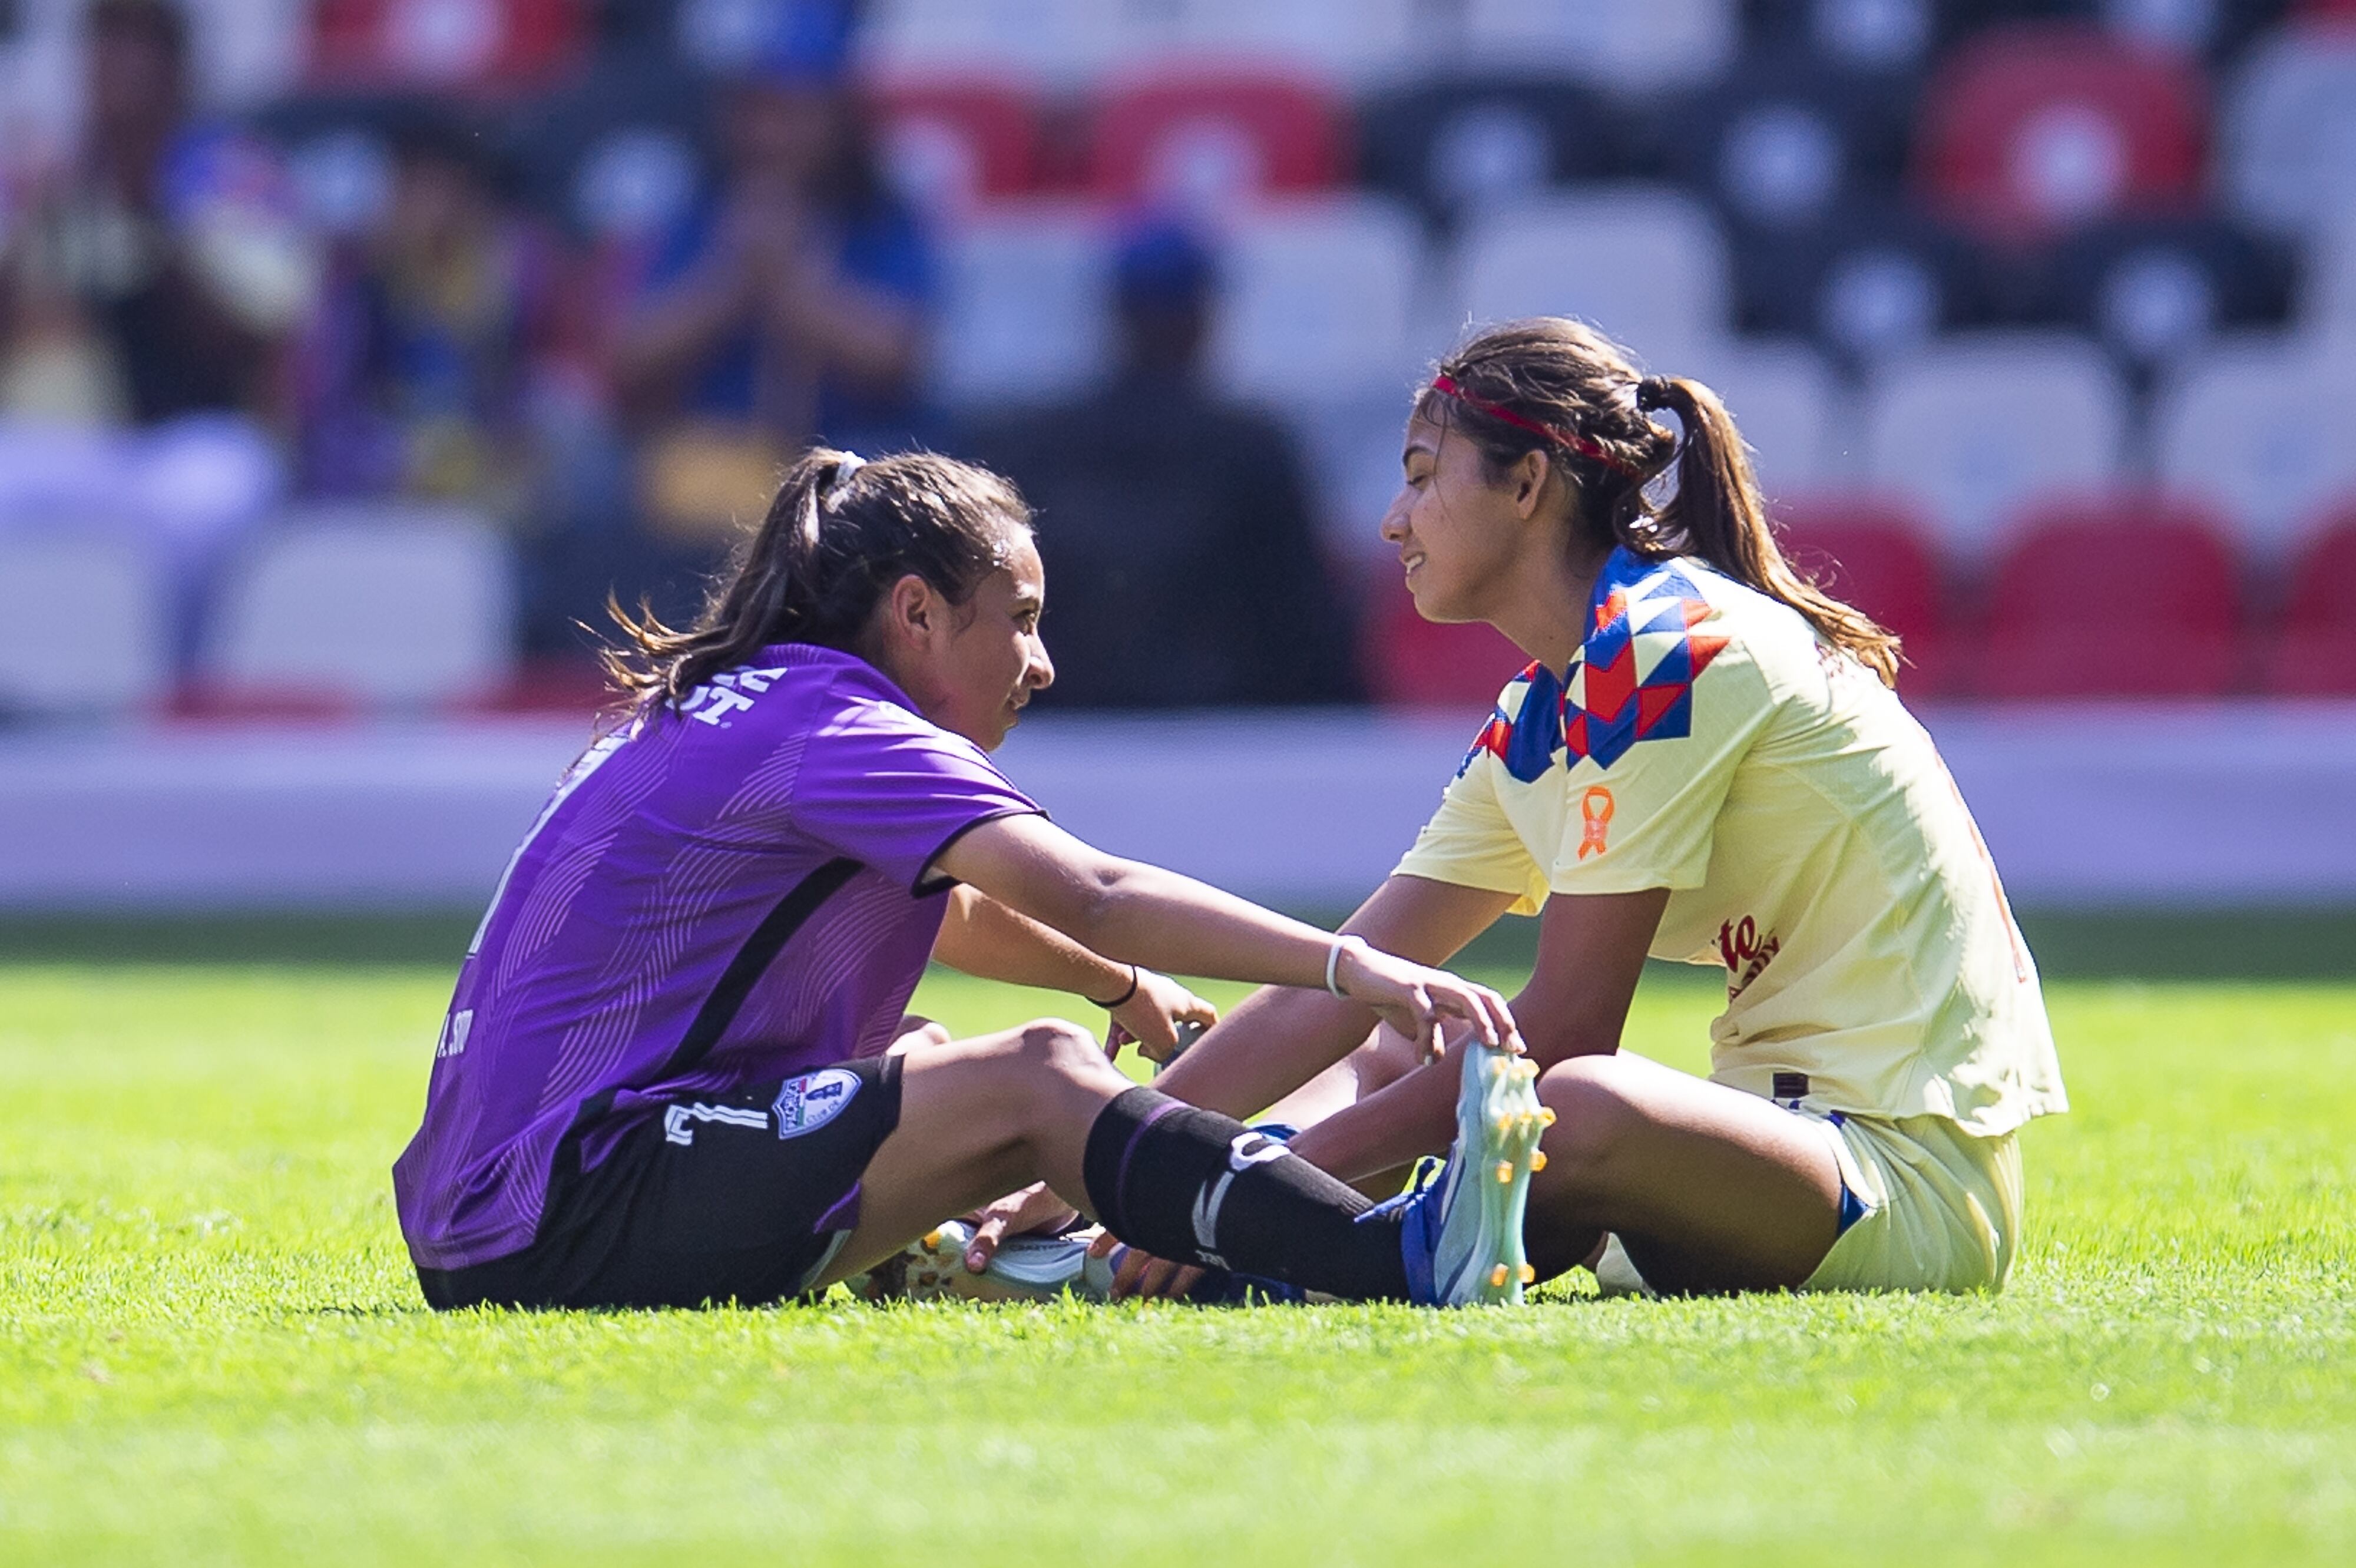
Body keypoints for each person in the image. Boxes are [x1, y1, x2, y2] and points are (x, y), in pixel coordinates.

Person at [391, 446, 1546, 1312]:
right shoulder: (840, 724)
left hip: (500, 1204)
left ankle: (953, 1254)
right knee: (1033, 1073)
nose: (1040, 663)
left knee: (928, 1052)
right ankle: (1390, 1255)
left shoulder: (749, 700)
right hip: (565, 1204)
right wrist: (1354, 965)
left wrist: (1117, 989)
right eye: (1023, 619)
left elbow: (958, 914)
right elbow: (1086, 887)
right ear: (916, 613)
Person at [1093, 317, 2066, 1299]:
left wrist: (1252, 1188)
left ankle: (1308, 1248)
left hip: (1900, 1187)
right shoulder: (1549, 704)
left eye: (1424, 474)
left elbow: (1566, 1026)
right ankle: (1297, 1240)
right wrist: (1115, 1155)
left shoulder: (1666, 646)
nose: (1394, 519)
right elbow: (1345, 982)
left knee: (1579, 1101)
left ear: (1526, 485)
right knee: (1400, 1039)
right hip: (1746, 1175)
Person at [957, 217, 1361, 710]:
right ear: (1205, 315)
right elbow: (1309, 635)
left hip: (1066, 732)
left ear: (1116, 312)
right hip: (1229, 739)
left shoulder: (1026, 446)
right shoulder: (1255, 451)